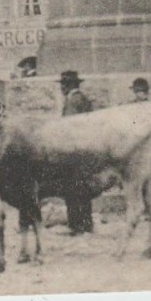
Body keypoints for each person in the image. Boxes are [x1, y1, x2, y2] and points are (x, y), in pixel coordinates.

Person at [60, 70, 94, 234]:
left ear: (67, 86)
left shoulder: (73, 101)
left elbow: (69, 126)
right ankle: (86, 223)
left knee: (72, 187)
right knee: (83, 187)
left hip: (74, 150)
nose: (61, 88)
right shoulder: (83, 99)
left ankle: (76, 224)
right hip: (85, 148)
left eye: (62, 85)